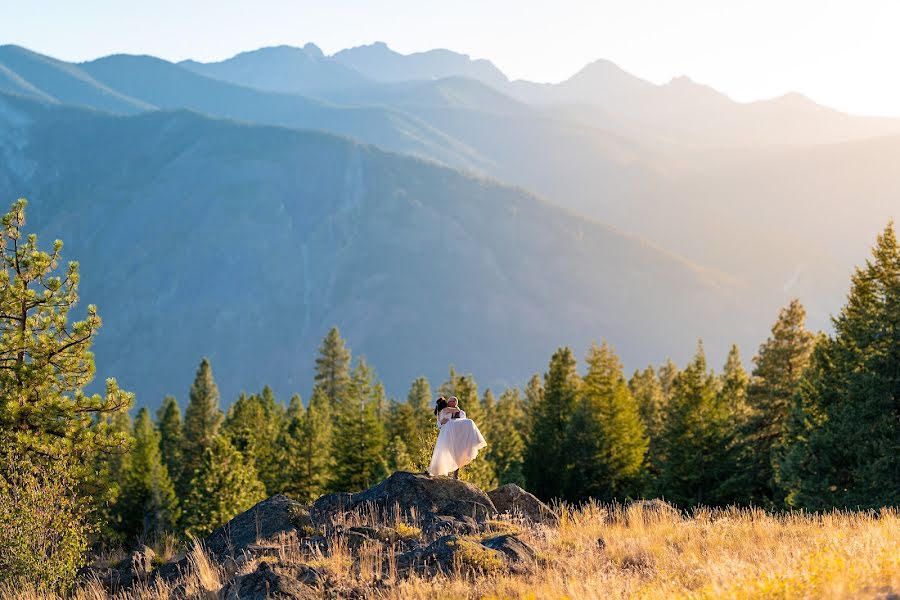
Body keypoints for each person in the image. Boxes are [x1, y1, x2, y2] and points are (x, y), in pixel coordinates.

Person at [428, 395, 487, 479]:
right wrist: (443, 422)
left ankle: (455, 474)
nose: (453, 403)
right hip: (449, 434)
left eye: (454, 401)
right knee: (445, 453)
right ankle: (440, 470)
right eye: (451, 401)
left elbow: (462, 420)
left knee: (459, 453)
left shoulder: (460, 412)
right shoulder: (444, 410)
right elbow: (440, 423)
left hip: (458, 435)